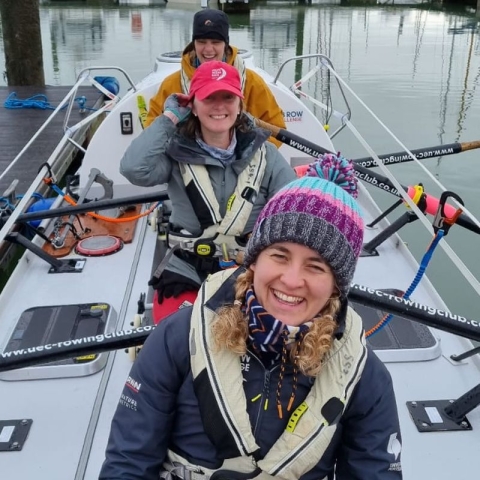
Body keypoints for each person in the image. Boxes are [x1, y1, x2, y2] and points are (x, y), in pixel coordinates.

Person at [100, 163, 403, 479]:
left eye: (316, 267)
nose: (292, 280)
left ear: (336, 285)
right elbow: (128, 464)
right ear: (255, 260)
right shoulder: (176, 339)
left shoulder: (366, 377)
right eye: (279, 256)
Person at [120, 60, 297, 320]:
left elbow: (294, 205)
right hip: (187, 270)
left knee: (259, 341)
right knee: (177, 339)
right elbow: (134, 169)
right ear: (192, 105)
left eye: (227, 97)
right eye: (208, 97)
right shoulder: (173, 152)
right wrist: (168, 119)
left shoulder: (266, 154)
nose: (219, 106)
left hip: (250, 270)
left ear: (239, 105)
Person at [144, 9, 286, 148]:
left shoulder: (253, 83)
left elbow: (276, 128)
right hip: (186, 165)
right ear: (194, 43)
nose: (208, 49)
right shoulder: (171, 84)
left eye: (216, 42)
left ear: (226, 44)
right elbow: (151, 129)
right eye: (201, 41)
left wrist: (245, 156)